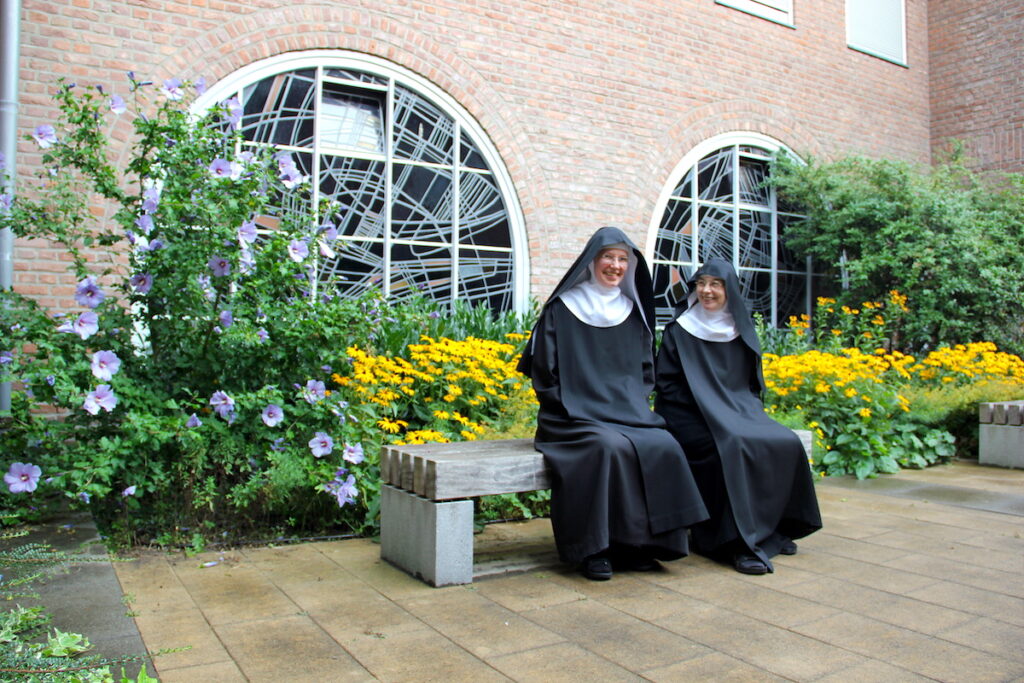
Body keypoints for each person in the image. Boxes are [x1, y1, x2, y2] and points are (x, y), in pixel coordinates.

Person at [517, 226, 708, 581]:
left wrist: (630, 406)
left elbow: (644, 373)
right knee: (607, 447)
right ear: (592, 261)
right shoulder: (562, 309)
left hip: (623, 415)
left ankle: (642, 546)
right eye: (609, 257)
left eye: (623, 259)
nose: (616, 266)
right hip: (571, 418)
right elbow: (544, 375)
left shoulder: (631, 312)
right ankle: (595, 550)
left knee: (662, 443)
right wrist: (578, 407)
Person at [654, 257, 822, 575]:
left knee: (785, 441)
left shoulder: (740, 330)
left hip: (737, 411)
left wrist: (739, 412)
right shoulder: (680, 330)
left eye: (715, 284)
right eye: (701, 283)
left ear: (729, 290)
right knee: (730, 445)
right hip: (687, 416)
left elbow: (750, 386)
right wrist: (712, 410)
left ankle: (775, 528)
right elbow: (667, 386)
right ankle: (734, 543)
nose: (707, 290)